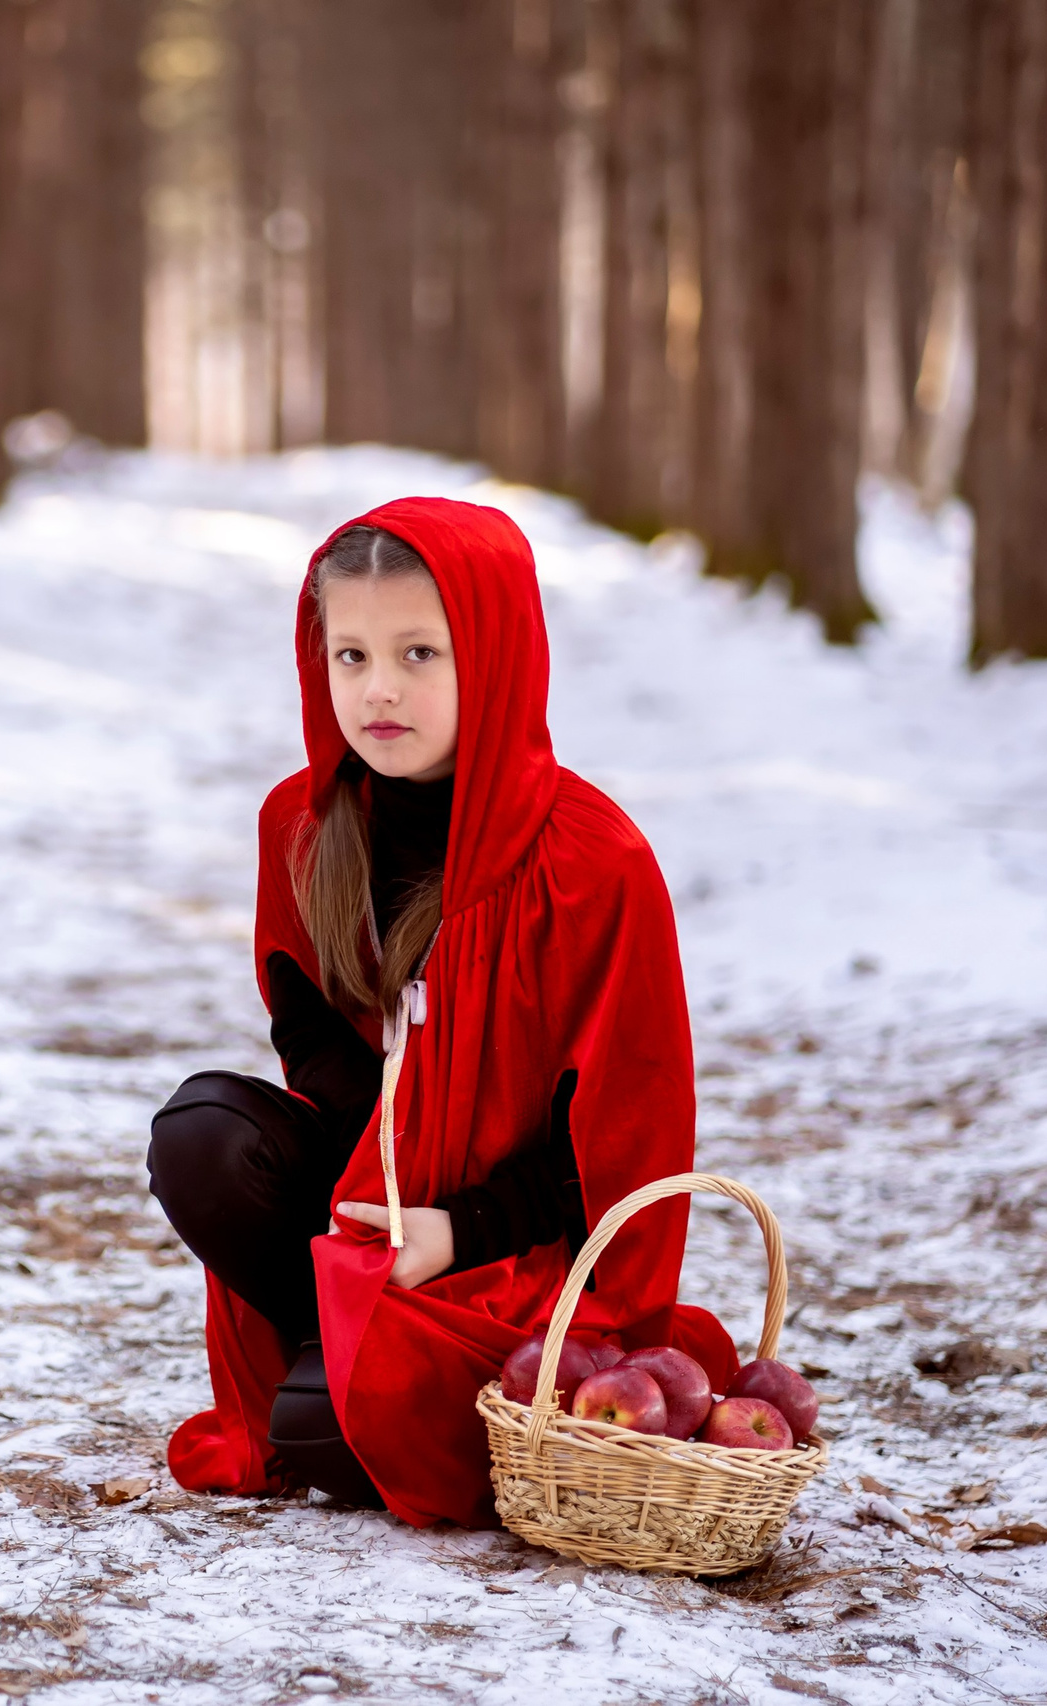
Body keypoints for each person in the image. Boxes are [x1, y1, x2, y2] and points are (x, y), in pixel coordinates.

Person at [147, 497, 735, 1528]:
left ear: (495, 655)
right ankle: (331, 1342)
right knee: (201, 1133)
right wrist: (377, 1183)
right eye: (352, 656)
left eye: (419, 653)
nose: (378, 689)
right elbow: (306, 1028)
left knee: (323, 1431)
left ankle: (352, 1376)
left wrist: (456, 1227)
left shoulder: (592, 865)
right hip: (367, 1203)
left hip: (503, 1251)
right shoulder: (302, 825)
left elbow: (624, 1137)